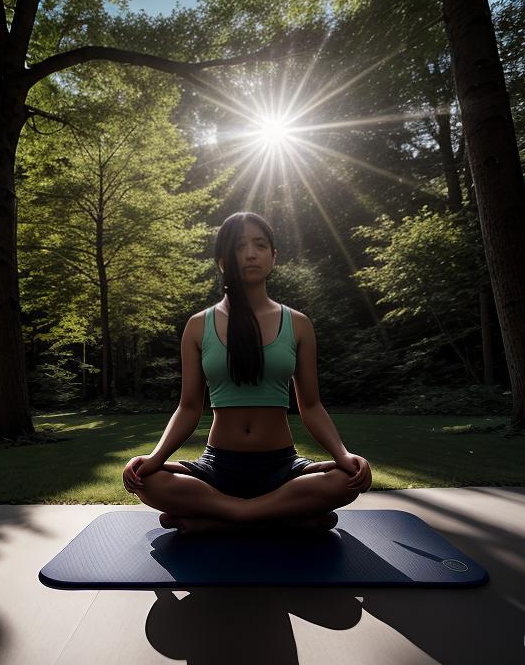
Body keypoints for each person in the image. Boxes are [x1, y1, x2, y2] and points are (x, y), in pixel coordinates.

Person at [122, 212, 371, 535]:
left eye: (260, 245)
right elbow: (188, 407)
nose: (251, 253)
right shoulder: (198, 325)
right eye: (240, 246)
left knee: (346, 479)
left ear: (273, 256)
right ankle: (278, 517)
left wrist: (343, 454)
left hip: (282, 466)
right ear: (223, 259)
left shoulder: (298, 324)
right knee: (147, 480)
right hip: (217, 467)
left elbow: (310, 406)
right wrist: (155, 458)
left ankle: (225, 518)